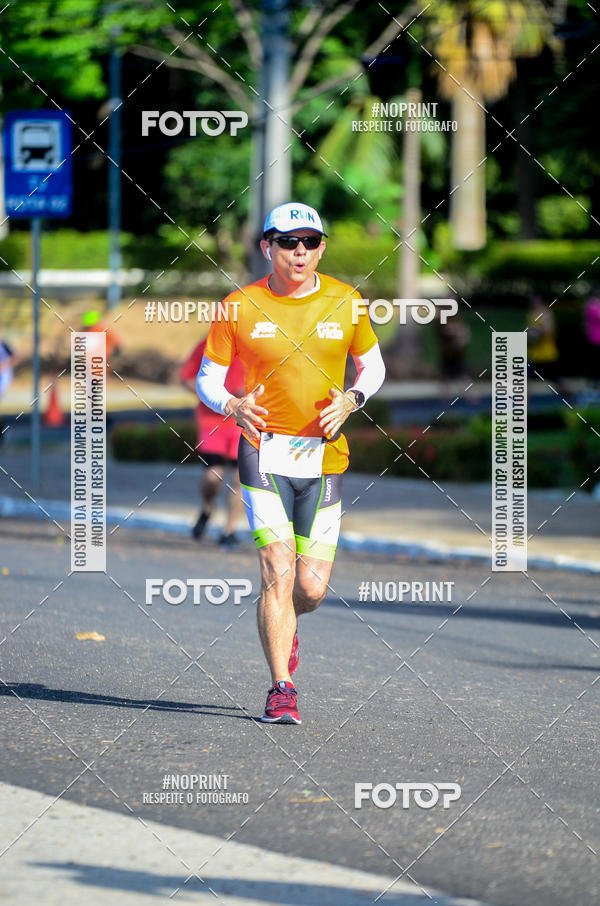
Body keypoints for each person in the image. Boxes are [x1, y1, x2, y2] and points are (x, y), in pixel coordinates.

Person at [197, 202, 385, 724]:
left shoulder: (346, 301)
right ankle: (282, 687)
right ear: (267, 247)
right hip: (262, 450)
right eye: (287, 241)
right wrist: (232, 404)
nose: (299, 251)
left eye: (310, 242)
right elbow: (208, 378)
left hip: (325, 457)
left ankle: (286, 624)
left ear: (321, 248)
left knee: (310, 589)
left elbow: (373, 366)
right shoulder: (238, 306)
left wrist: (353, 398)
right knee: (277, 571)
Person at [180, 338, 244, 548]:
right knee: (212, 476)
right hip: (212, 422)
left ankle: (229, 530)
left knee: (239, 478)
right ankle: (207, 507)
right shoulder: (208, 345)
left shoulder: (255, 343)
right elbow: (186, 378)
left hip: (243, 422)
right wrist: (213, 395)